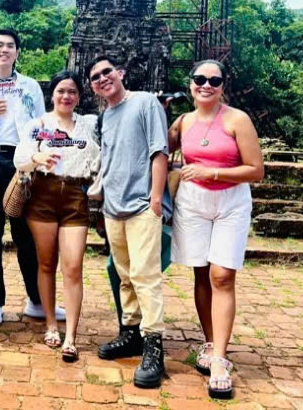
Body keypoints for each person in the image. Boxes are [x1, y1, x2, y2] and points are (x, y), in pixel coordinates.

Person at [167, 59, 264, 400]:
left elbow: (256, 170)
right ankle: (209, 341)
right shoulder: (184, 121)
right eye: (200, 79)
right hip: (193, 201)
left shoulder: (237, 120)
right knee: (201, 272)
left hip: (230, 201)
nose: (206, 85)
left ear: (223, 86)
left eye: (214, 80)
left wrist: (214, 173)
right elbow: (160, 149)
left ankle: (221, 359)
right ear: (190, 84)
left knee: (222, 276)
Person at [0, 29, 64, 325]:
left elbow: (42, 126)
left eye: (10, 46)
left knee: (27, 236)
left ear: (18, 52)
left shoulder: (29, 86)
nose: (4, 50)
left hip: (24, 165)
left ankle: (37, 300)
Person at [89, 56, 169, 389]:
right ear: (93, 87)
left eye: (107, 71)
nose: (102, 78)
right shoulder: (105, 116)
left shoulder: (145, 102)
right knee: (124, 275)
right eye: (95, 76)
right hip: (114, 207)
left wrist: (156, 198)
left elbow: (159, 150)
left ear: (120, 73)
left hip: (142, 205)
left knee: (145, 275)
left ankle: (154, 345)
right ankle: (131, 332)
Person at [13, 70, 99, 362]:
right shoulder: (38, 125)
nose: (66, 96)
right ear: (52, 94)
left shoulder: (87, 125)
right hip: (43, 195)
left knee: (73, 266)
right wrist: (36, 157)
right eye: (61, 90)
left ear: (79, 96)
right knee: (47, 263)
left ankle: (71, 336)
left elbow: (99, 157)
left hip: (75, 196)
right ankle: (51, 324)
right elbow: (19, 158)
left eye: (72, 91)